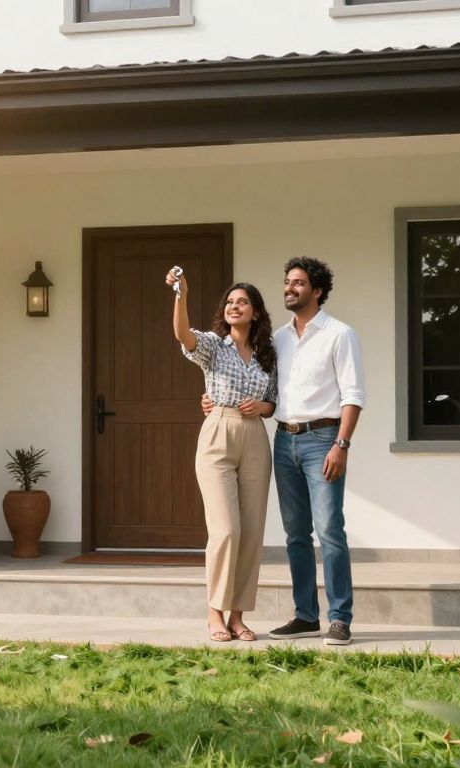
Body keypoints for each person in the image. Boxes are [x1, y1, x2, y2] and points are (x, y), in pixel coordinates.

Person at [202, 257, 364, 646]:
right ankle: (306, 615)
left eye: (299, 283)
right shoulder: (275, 340)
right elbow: (263, 391)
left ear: (318, 291)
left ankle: (339, 618)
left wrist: (341, 445)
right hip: (283, 439)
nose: (289, 288)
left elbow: (353, 396)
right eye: (287, 282)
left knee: (329, 531)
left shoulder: (340, 335)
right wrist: (211, 398)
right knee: (295, 534)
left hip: (324, 440)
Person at [168, 270, 277, 643]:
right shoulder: (214, 345)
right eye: (230, 302)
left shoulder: (268, 353)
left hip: (256, 439)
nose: (234, 306)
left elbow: (275, 400)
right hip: (218, 431)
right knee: (226, 530)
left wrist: (264, 405)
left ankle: (238, 616)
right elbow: (183, 336)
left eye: (242, 302)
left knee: (251, 533)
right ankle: (214, 611)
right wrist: (181, 295)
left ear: (256, 313)